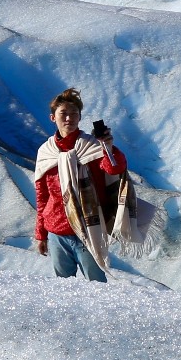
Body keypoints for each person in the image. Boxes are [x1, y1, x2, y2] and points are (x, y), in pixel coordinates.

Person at [33, 88, 126, 283]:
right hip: (57, 231)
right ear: (53, 118)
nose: (69, 118)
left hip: (88, 229)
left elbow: (115, 169)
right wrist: (41, 234)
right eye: (63, 113)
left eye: (74, 113)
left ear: (80, 116)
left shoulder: (92, 146)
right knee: (63, 289)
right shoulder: (46, 152)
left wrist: (108, 148)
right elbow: (43, 196)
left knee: (97, 285)